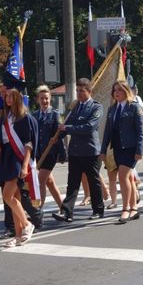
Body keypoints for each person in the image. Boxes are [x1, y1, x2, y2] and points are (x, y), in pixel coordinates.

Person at [53, 78, 104, 222]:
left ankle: (98, 210)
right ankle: (67, 212)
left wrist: (67, 129)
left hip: (90, 150)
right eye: (77, 91)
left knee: (93, 182)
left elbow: (89, 127)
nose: (79, 93)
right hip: (75, 151)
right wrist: (57, 136)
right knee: (73, 183)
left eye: (82, 91)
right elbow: (66, 125)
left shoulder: (96, 107)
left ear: (89, 91)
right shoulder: (75, 107)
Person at [0, 88, 39, 247]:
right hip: (5, 157)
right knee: (15, 198)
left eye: (11, 96)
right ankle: (18, 235)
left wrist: (25, 165)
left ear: (18, 98)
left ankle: (27, 224)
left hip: (17, 158)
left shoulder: (24, 118)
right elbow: (1, 142)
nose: (7, 98)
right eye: (6, 96)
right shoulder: (5, 117)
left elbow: (28, 144)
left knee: (8, 196)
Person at [100, 80, 143, 223]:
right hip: (117, 148)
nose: (116, 93)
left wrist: (139, 149)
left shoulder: (134, 107)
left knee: (123, 176)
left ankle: (125, 209)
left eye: (119, 90)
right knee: (129, 178)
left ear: (126, 91)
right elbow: (107, 131)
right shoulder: (112, 109)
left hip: (130, 148)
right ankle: (134, 208)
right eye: (114, 90)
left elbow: (140, 131)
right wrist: (103, 150)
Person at [31, 85, 66, 209]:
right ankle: (64, 208)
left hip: (51, 153)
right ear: (38, 100)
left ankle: (38, 211)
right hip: (39, 153)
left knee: (40, 182)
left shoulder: (54, 114)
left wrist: (57, 137)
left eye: (46, 98)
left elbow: (62, 133)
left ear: (50, 98)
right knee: (49, 182)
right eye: (41, 98)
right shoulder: (34, 115)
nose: (44, 101)